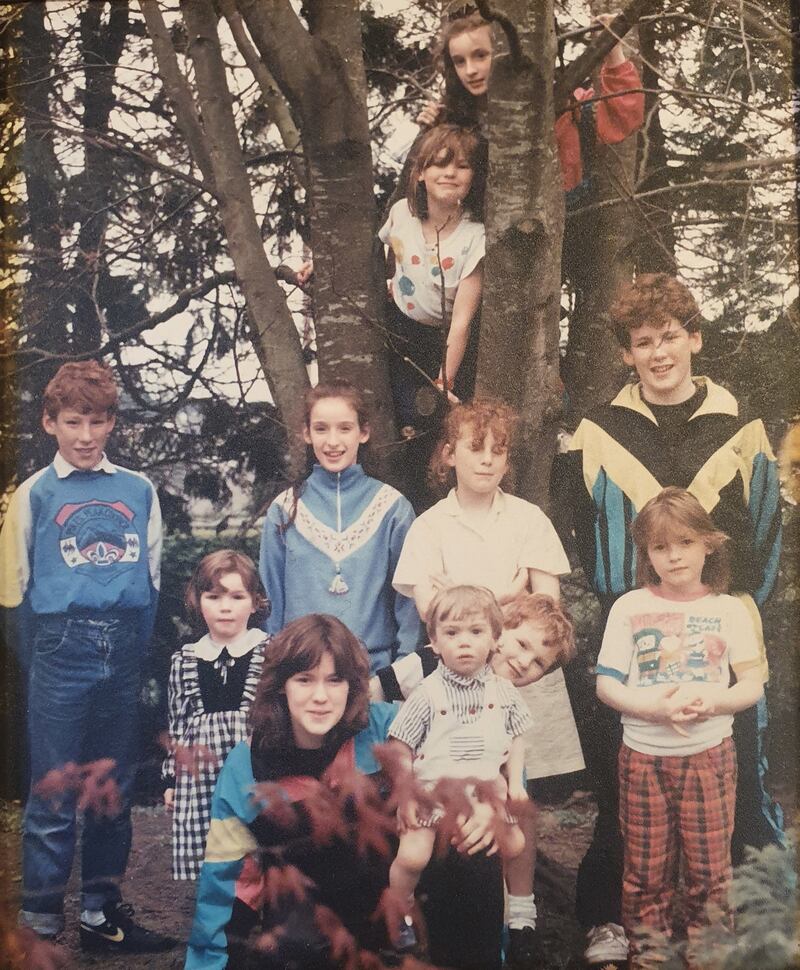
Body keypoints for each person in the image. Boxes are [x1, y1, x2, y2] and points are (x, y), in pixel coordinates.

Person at [567, 272, 784, 968]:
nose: (658, 353)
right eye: (641, 343)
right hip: (635, 634)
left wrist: (736, 614)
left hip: (723, 628)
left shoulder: (742, 424)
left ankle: (761, 912)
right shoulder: (599, 431)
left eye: (669, 337)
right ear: (627, 354)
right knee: (623, 785)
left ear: (694, 338)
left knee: (741, 782)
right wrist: (624, 612)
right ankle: (610, 919)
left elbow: (767, 530)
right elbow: (585, 529)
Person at [185, 612, 510, 970]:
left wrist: (489, 801)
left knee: (471, 843)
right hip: (307, 921)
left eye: (335, 680)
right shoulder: (246, 765)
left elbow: (483, 751)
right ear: (282, 685)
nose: (320, 697)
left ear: (352, 686)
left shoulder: (391, 729)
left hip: (392, 902)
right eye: (304, 680)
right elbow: (228, 884)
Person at [393, 398, 583, 969]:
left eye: (498, 451)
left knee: (517, 797)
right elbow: (435, 613)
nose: (486, 460)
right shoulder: (429, 527)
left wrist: (495, 614)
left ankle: (520, 911)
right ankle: (456, 906)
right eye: (474, 448)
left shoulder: (528, 520)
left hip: (522, 670)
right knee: (464, 787)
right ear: (450, 453)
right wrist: (485, 611)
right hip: (457, 676)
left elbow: (545, 603)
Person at [0, 360, 173, 952]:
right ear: (50, 422)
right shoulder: (33, 495)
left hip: (122, 648)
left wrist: (126, 647)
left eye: (97, 422)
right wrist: (48, 655)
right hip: (58, 649)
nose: (84, 435)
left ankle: (102, 918)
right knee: (52, 793)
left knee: (112, 789)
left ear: (112, 424)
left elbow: (151, 581)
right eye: (72, 422)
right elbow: (12, 592)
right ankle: (41, 929)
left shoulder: (137, 490)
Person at [595, 488, 764, 969]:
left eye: (685, 543)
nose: (674, 556)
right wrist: (651, 708)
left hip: (709, 757)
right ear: (646, 553)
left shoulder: (729, 609)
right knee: (646, 872)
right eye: (660, 547)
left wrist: (713, 700)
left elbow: (750, 683)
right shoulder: (628, 607)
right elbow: (607, 685)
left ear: (708, 544)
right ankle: (649, 956)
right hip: (643, 758)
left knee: (711, 872)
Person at [387, 586, 532, 951]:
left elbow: (516, 737)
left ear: (495, 639)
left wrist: (516, 784)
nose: (464, 643)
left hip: (486, 791)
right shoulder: (427, 693)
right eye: (452, 634)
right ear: (434, 642)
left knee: (515, 846)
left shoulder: (504, 692)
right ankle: (398, 913)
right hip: (435, 793)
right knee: (412, 855)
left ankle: (501, 922)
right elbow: (400, 744)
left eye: (476, 632)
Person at [259, 379, 422, 673]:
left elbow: (408, 601)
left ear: (364, 432)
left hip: (372, 677)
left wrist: (398, 676)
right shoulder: (284, 511)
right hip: (301, 674)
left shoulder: (392, 508)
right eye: (321, 428)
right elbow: (271, 602)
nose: (333, 441)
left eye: (344, 428)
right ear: (306, 434)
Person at [417, 8, 644, 210]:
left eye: (480, 56)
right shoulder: (455, 118)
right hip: (484, 239)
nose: (470, 70)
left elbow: (625, 116)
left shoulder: (564, 104)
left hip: (567, 228)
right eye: (459, 61)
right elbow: (432, 190)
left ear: (505, 52)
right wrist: (431, 135)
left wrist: (613, 50)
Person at [162, 550, 270, 880]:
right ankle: (216, 906)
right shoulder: (186, 659)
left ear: (255, 603)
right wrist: (171, 779)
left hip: (253, 765)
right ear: (198, 601)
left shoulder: (269, 652)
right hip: (201, 772)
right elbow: (178, 722)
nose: (225, 607)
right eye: (214, 596)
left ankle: (256, 903)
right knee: (210, 846)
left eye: (237, 597)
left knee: (255, 840)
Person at [378, 124, 487, 433]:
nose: (450, 172)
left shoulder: (474, 237)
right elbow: (382, 252)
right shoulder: (401, 213)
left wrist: (444, 379)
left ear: (473, 178)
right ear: (420, 174)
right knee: (396, 415)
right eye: (440, 163)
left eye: (462, 166)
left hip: (443, 341)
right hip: (398, 328)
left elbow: (462, 321)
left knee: (434, 418)